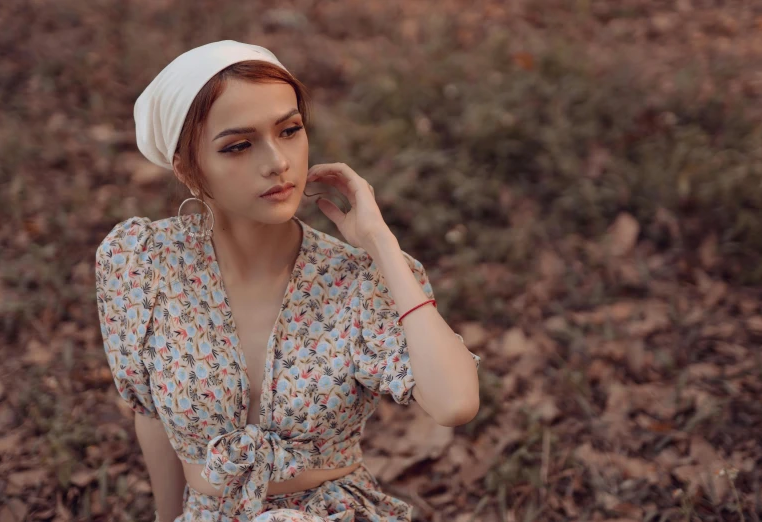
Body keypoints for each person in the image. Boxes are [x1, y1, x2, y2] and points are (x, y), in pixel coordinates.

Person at [94, 40, 481, 522]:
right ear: (188, 170)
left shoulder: (357, 278)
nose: (277, 161)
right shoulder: (142, 263)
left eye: (290, 130)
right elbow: (151, 413)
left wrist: (380, 244)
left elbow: (456, 403)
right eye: (238, 145)